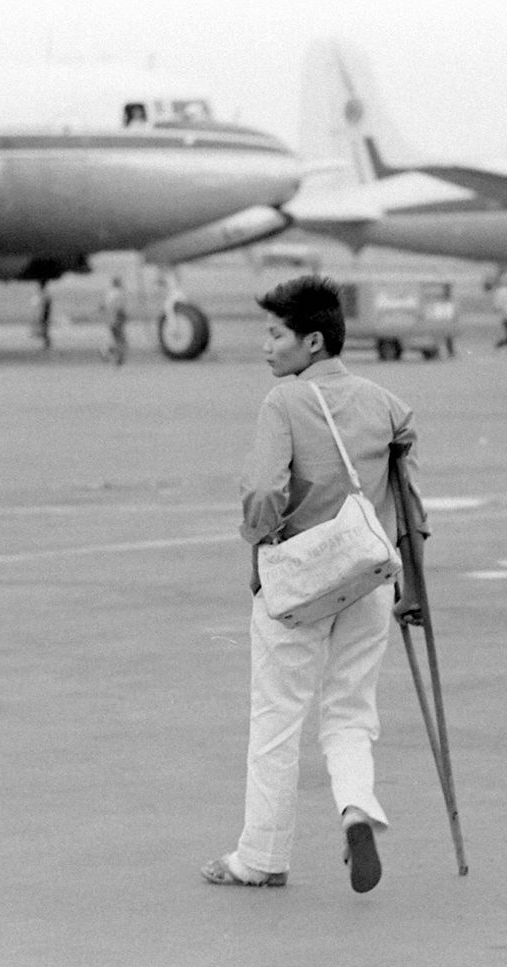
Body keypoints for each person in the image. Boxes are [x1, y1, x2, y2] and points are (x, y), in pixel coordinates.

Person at [203, 274, 424, 894]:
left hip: (301, 583)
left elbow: (264, 490)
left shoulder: (285, 402)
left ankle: (262, 857)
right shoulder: (387, 405)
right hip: (369, 579)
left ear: (314, 342)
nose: (266, 347)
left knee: (277, 718)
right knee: (350, 711)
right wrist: (414, 589)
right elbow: (410, 506)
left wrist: (259, 549)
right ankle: (356, 807)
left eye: (276, 335)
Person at [100, 276, 128, 366]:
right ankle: (109, 353)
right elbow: (119, 307)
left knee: (117, 339)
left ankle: (111, 354)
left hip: (112, 318)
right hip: (116, 318)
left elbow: (106, 306)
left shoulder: (110, 293)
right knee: (119, 339)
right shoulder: (118, 293)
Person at [32, 283, 53, 350]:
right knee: (44, 329)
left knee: (44, 329)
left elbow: (44, 306)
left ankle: (47, 344)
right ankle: (46, 344)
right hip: (45, 314)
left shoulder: (44, 295)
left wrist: (42, 314)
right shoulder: (45, 294)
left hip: (44, 314)